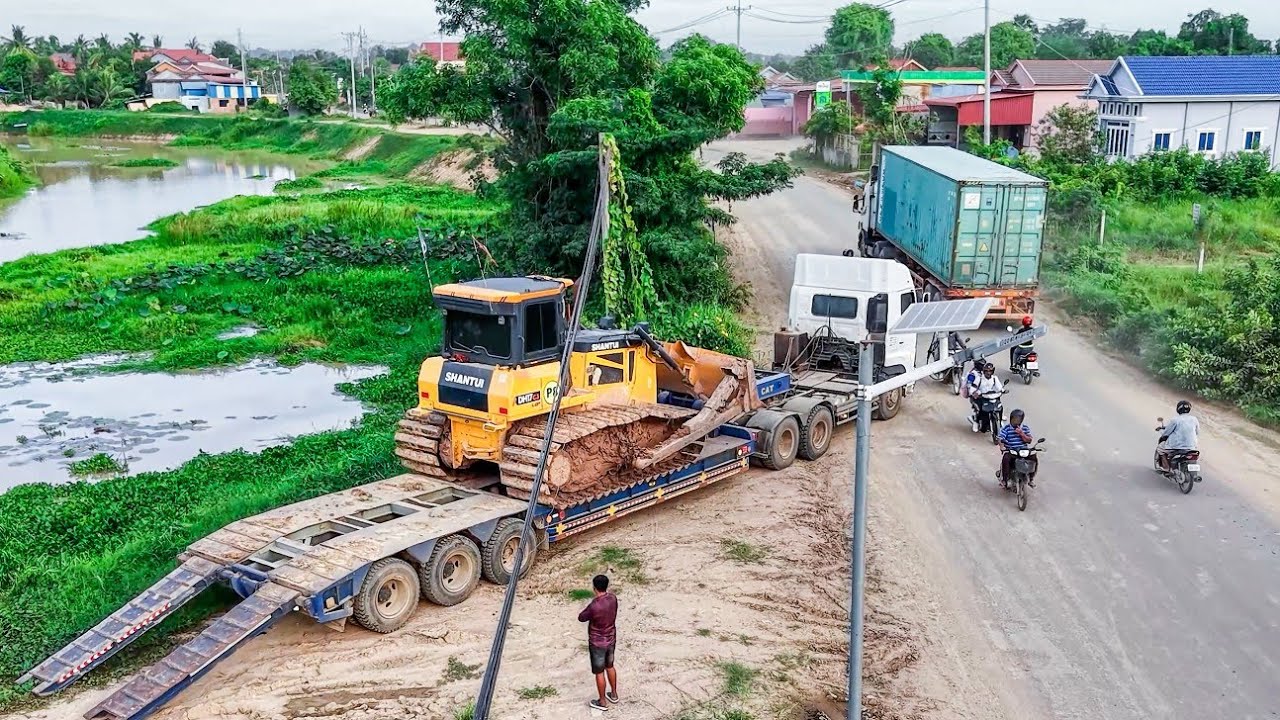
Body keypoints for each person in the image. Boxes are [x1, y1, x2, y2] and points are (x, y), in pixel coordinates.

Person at [578, 574, 619, 710]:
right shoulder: (613, 598)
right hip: (611, 639)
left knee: (599, 672)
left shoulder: (594, 606)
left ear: (594, 587)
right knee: (610, 666)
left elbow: (581, 618)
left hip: (597, 643)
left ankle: (602, 702)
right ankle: (613, 694)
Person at [997, 408, 1036, 488]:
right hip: (1012, 450)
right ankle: (1004, 480)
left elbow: (1029, 440)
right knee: (1006, 458)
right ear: (1011, 419)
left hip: (1023, 450)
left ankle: (1031, 479)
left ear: (1021, 420)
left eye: (1018, 419)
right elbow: (1000, 438)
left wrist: (1022, 434)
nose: (1016, 421)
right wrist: (1002, 447)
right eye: (1014, 419)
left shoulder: (1025, 428)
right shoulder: (1007, 428)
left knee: (1034, 458)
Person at [1158, 400, 1200, 470]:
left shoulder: (1175, 420)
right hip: (1192, 447)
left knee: (1160, 448)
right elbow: (1197, 432)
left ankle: (1166, 468)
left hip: (1176, 446)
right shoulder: (1194, 419)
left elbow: (1166, 433)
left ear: (1178, 409)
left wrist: (1161, 431)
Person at [967, 363, 1004, 432]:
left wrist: (1002, 390)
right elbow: (973, 388)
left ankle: (1000, 420)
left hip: (991, 396)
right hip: (982, 397)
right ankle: (976, 421)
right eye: (986, 371)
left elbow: (999, 387)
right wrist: (974, 393)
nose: (988, 373)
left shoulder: (994, 378)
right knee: (980, 410)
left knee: (1000, 406)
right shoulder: (979, 379)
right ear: (984, 371)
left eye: (990, 371)